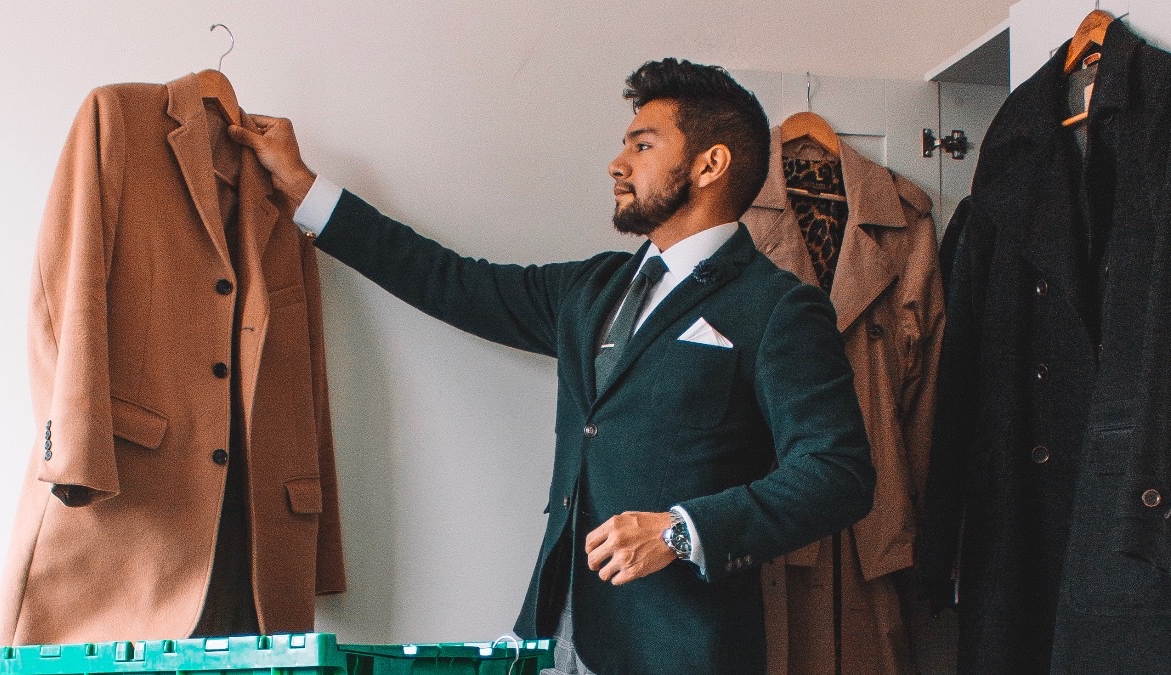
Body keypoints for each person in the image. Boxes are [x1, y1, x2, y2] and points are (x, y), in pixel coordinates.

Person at [230, 58, 875, 675]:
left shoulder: (778, 308)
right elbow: (451, 282)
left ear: (710, 164)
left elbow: (838, 472)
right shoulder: (594, 290)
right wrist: (304, 191)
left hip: (683, 647)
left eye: (643, 146)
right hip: (550, 634)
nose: (616, 164)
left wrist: (682, 532)